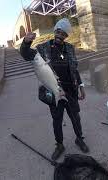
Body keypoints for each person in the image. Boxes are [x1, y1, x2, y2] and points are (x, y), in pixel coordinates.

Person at [20, 18, 89, 160]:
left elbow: (74, 69)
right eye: (58, 31)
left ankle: (79, 138)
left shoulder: (70, 48)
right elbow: (26, 55)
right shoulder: (42, 48)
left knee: (75, 117)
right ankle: (59, 144)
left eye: (63, 34)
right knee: (57, 119)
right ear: (54, 31)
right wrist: (26, 42)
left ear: (66, 36)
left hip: (71, 91)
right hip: (53, 91)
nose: (60, 35)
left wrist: (81, 87)